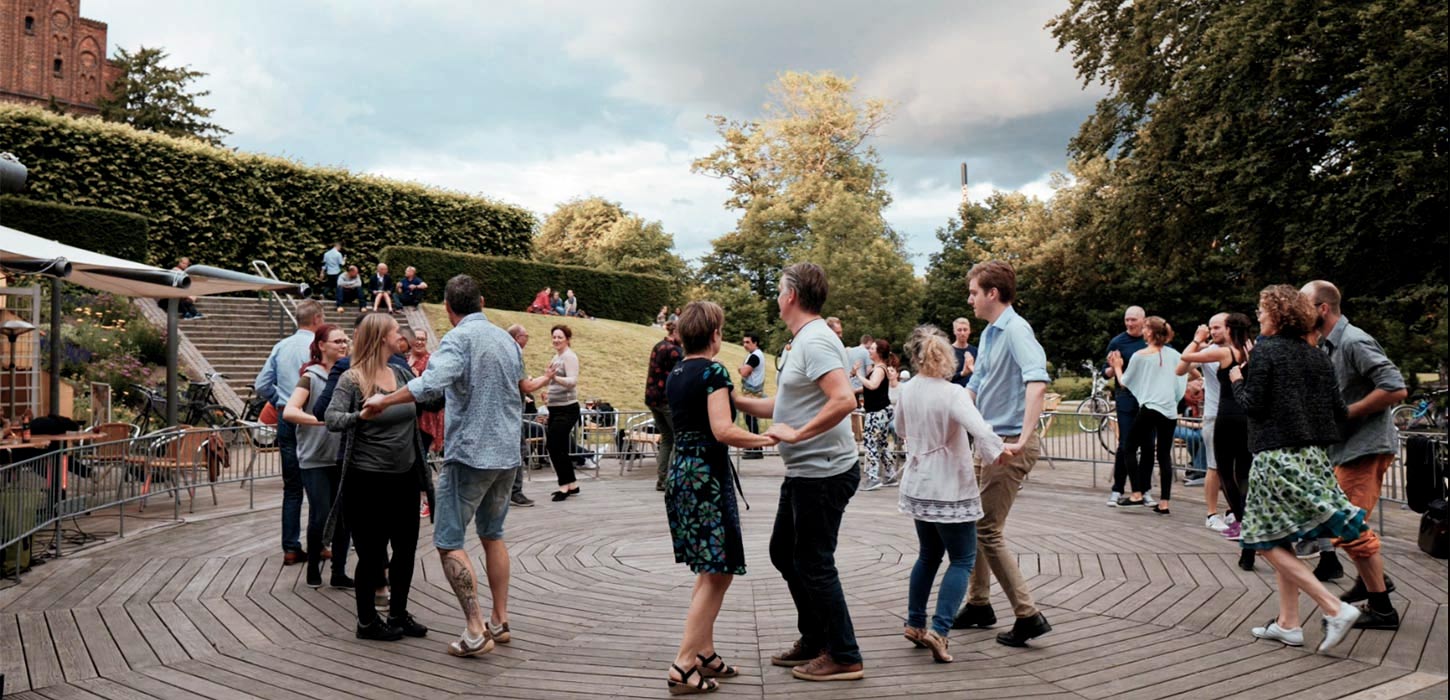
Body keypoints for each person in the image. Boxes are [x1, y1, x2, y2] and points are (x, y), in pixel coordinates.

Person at [363, 275, 554, 657]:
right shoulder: (506, 339)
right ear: (481, 302)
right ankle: (500, 621)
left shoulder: (458, 339)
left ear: (449, 308)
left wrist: (383, 400)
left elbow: (430, 384)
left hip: (470, 455)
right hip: (507, 455)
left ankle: (474, 630)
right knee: (493, 535)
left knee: (449, 541)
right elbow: (521, 384)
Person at [734, 262, 864, 683]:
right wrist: (732, 399)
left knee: (813, 561)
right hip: (805, 472)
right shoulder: (803, 342)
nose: (776, 297)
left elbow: (844, 400)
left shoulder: (817, 340)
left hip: (824, 472)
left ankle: (844, 653)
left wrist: (798, 434)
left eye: (778, 290)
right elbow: (782, 406)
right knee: (784, 552)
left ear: (791, 295)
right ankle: (815, 638)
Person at [1228, 284, 1365, 652]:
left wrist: (1237, 380)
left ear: (1277, 315)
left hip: (1274, 456)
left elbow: (1253, 405)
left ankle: (1333, 607)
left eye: (1262, 310)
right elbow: (1339, 410)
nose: (1258, 315)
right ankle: (1288, 623)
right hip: (1313, 457)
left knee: (1261, 540)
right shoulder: (1317, 356)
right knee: (1282, 538)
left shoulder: (1266, 351)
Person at [661, 301, 779, 694]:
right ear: (715, 334)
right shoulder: (714, 371)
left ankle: (704, 652)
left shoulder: (677, 372)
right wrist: (769, 438)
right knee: (719, 571)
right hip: (706, 479)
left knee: (708, 569)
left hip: (681, 473)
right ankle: (683, 664)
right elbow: (723, 430)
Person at [950, 260, 1053, 647]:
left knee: (986, 529)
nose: (970, 299)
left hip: (1007, 444)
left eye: (974, 292)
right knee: (973, 521)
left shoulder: (1017, 330)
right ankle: (979, 604)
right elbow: (975, 384)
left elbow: (1037, 382)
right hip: (988, 440)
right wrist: (950, 416)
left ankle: (1028, 615)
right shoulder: (992, 332)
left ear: (992, 293)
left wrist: (1023, 439)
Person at [895, 325, 1004, 663]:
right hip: (949, 484)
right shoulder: (953, 393)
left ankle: (915, 622)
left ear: (916, 358)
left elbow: (899, 429)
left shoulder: (906, 390)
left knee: (928, 555)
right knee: (962, 558)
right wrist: (999, 452)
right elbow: (980, 429)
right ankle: (940, 629)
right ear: (946, 359)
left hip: (919, 481)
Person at [324, 313, 433, 642]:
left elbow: (427, 398)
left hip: (404, 477)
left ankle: (398, 613)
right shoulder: (352, 379)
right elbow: (331, 418)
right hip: (367, 480)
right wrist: (360, 415)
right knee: (372, 555)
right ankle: (367, 621)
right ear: (382, 338)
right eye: (395, 331)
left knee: (406, 550)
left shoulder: (401, 373)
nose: (401, 335)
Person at [1302, 280, 1404, 628]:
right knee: (1346, 523)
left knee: (1346, 525)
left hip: (1365, 447)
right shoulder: (1327, 344)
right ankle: (1372, 581)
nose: (1300, 312)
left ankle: (1383, 609)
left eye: (1304, 305)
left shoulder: (1353, 341)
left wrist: (1349, 413)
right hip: (1345, 449)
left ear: (1323, 308)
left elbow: (1395, 387)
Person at [1180, 313, 1257, 570]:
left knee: (1224, 472)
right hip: (1247, 417)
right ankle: (1246, 519)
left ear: (1229, 329)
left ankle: (1243, 521)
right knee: (1243, 473)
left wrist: (1197, 340)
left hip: (1226, 416)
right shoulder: (1251, 351)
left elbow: (1185, 358)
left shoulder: (1224, 353)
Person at [281, 323, 354, 589]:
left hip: (342, 457)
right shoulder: (310, 377)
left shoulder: (350, 374)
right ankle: (313, 565)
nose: (343, 345)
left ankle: (339, 572)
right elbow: (290, 411)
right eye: (337, 341)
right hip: (315, 458)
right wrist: (321, 420)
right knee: (320, 514)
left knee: (344, 517)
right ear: (322, 345)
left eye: (345, 341)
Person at [256, 299, 326, 565]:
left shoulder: (281, 346)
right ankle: (320, 544)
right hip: (313, 418)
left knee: (292, 488)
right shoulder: (318, 347)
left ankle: (291, 547)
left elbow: (261, 384)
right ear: (317, 319)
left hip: (286, 416)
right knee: (319, 483)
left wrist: (280, 401)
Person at [1107, 316, 1186, 513]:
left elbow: (1125, 382)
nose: (1142, 331)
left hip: (1150, 408)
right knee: (1164, 455)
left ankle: (1136, 493)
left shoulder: (1140, 356)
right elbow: (1188, 370)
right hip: (1169, 410)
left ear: (1150, 332)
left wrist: (1117, 366)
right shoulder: (1173, 354)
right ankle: (1164, 503)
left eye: (1145, 328)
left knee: (1129, 447)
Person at [1177, 313, 1228, 531]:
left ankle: (1234, 510)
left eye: (1217, 327)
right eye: (1211, 328)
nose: (1213, 331)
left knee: (1236, 467)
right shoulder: (1208, 352)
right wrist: (1197, 341)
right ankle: (1212, 513)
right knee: (1214, 466)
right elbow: (1180, 368)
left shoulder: (1241, 348)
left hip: (1238, 416)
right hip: (1214, 415)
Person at [1105, 306, 1149, 506]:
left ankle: (1144, 489)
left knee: (1148, 445)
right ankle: (1117, 489)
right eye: (1127, 320)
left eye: (1134, 320)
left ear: (1143, 320)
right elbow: (1106, 371)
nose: (1130, 324)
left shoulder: (1150, 340)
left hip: (1148, 398)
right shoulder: (1118, 342)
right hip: (1126, 397)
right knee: (1125, 444)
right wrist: (1113, 367)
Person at [545, 324, 583, 500]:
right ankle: (572, 484)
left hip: (567, 409)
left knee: (554, 445)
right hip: (555, 408)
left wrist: (554, 377)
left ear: (567, 339)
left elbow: (572, 381)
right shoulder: (556, 357)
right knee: (558, 447)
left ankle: (564, 486)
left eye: (560, 337)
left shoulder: (569, 356)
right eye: (554, 337)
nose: (556, 340)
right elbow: (553, 380)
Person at [855, 339, 898, 490]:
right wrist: (855, 390)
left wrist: (858, 375)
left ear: (879, 353)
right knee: (882, 444)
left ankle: (873, 477)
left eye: (872, 349)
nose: (869, 351)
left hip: (877, 412)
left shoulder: (879, 369)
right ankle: (890, 475)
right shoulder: (879, 368)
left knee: (870, 442)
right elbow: (872, 387)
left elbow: (873, 385)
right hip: (882, 411)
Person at [645, 322, 683, 491]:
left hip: (652, 399)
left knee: (667, 438)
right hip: (667, 400)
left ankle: (662, 479)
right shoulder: (675, 351)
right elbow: (682, 373)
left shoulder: (658, 345)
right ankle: (672, 479)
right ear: (676, 332)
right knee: (679, 438)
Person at [506, 324, 540, 507]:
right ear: (518, 338)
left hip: (509, 410)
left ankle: (507, 491)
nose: (527, 339)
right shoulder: (514, 354)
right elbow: (525, 385)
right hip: (512, 412)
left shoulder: (504, 353)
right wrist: (547, 377)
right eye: (526, 336)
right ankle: (515, 492)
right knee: (518, 450)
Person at [407, 329, 444, 455]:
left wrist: (416, 380)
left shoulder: (432, 361)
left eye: (422, 339)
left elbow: (435, 389)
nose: (419, 342)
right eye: (417, 338)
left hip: (425, 415)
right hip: (408, 413)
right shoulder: (405, 359)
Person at [738, 332, 766, 460]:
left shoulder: (754, 356)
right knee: (750, 421)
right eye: (744, 342)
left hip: (752, 393)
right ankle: (753, 447)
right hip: (752, 392)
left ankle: (756, 448)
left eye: (748, 342)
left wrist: (741, 368)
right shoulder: (754, 355)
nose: (745, 345)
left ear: (755, 343)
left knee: (751, 421)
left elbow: (744, 372)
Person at [1175, 379, 1207, 483]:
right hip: (1181, 426)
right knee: (1192, 436)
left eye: (1201, 379)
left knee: (1204, 436)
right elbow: (1176, 419)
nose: (1200, 382)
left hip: (1200, 427)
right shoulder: (1181, 397)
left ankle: (1196, 466)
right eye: (1197, 380)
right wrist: (1196, 425)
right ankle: (1198, 468)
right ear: (1188, 383)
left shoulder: (1206, 394)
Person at [950, 318, 977, 388]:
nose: (962, 333)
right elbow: (945, 377)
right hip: (953, 391)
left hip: (972, 391)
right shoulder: (948, 352)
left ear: (969, 331)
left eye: (965, 330)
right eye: (959, 330)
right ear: (954, 332)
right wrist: (962, 374)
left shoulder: (975, 351)